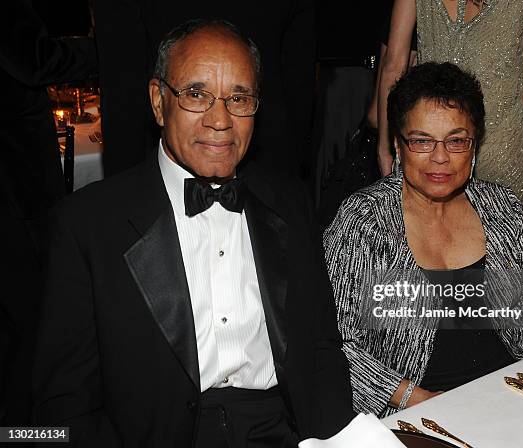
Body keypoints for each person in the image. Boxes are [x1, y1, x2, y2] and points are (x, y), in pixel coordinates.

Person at [33, 19, 354, 446]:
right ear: (158, 102)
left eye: (239, 98)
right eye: (197, 95)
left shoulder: (289, 202)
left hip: (280, 429)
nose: (220, 120)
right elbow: (65, 406)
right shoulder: (86, 226)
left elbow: (321, 353)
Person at [324, 62, 523, 417]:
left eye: (456, 141)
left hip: (510, 394)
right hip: (417, 411)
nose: (440, 158)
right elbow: (336, 344)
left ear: (474, 143)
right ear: (398, 147)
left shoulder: (503, 209)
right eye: (421, 141)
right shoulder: (363, 221)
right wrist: (419, 400)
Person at [0, 0, 97, 426]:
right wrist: (112, 50)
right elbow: (33, 61)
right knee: (33, 318)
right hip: (15, 185)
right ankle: (29, 429)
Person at [376, 0, 523, 202]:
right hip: (501, 148)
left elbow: (394, 66)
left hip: (427, 143)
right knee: (496, 233)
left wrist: (385, 148)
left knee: (423, 232)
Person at [92, 0, 315, 178]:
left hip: (269, 164)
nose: (219, 122)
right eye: (196, 94)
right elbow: (299, 88)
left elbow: (122, 98)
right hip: (271, 155)